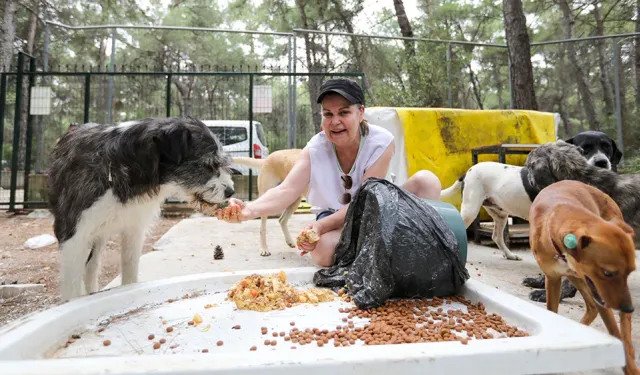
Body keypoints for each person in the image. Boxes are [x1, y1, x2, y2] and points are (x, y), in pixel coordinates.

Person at [215, 78, 442, 267]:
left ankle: (412, 248)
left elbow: (366, 202)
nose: (335, 122)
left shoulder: (381, 142)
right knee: (322, 252)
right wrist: (247, 211)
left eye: (344, 112)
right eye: (328, 114)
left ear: (361, 112)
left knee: (426, 181)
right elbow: (287, 189)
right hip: (336, 220)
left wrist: (320, 227)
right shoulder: (315, 148)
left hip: (374, 210)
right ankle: (381, 249)